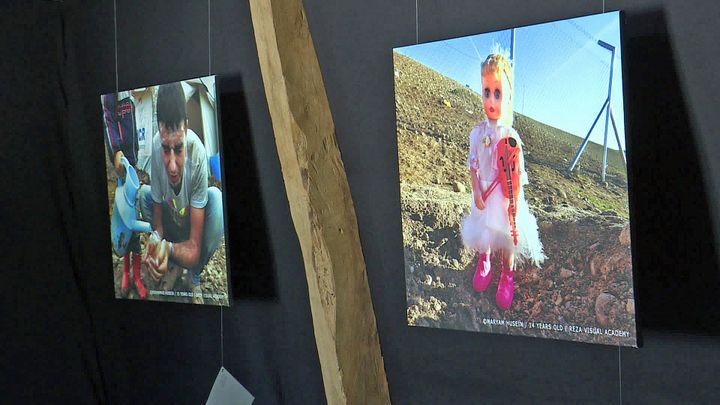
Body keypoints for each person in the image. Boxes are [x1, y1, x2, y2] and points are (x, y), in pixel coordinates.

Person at [461, 48, 544, 310]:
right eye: (487, 92)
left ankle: (506, 274)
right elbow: (473, 164)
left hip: (504, 196)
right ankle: (484, 259)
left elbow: (516, 173)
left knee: (507, 234)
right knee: (484, 228)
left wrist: (513, 202)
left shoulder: (511, 136)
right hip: (484, 195)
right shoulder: (477, 134)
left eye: (497, 93)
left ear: (507, 96)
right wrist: (475, 189)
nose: (491, 99)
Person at [138, 82, 224, 304]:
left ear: (186, 126)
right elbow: (158, 225)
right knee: (143, 195)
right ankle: (174, 265)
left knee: (217, 200)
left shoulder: (198, 154)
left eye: (178, 148)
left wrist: (166, 248)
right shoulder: (156, 148)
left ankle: (192, 278)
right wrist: (155, 245)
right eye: (166, 150)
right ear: (159, 128)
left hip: (192, 225)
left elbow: (194, 248)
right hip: (172, 220)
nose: (172, 166)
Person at [102, 92, 147, 299]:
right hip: (121, 168)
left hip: (132, 167)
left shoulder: (130, 94)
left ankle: (136, 275)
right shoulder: (112, 89)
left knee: (133, 226)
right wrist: (116, 150)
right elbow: (108, 115)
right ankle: (126, 273)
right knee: (124, 222)